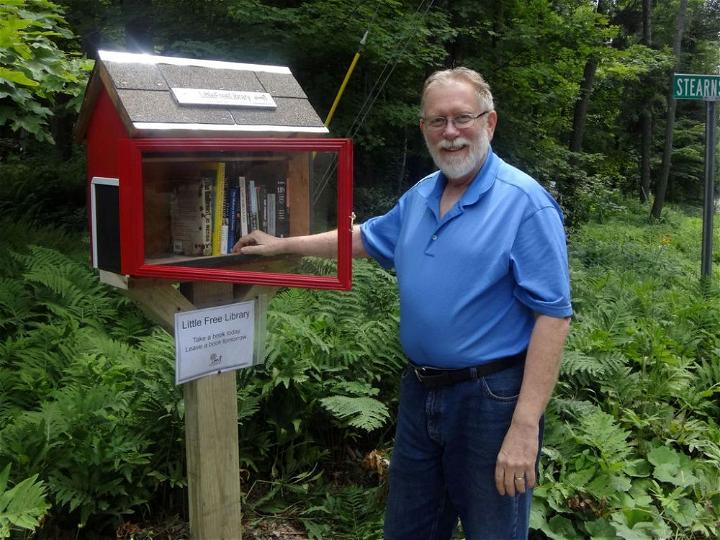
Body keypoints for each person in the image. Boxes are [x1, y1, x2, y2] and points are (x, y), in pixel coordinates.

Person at [233, 67, 572, 540]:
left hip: (491, 403)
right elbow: (363, 239)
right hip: (420, 393)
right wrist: (280, 245)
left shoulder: (525, 203)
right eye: (437, 121)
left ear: (489, 123)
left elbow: (553, 317)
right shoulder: (420, 196)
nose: (450, 133)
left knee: (492, 532)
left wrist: (525, 425)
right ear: (424, 130)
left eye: (462, 118)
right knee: (409, 530)